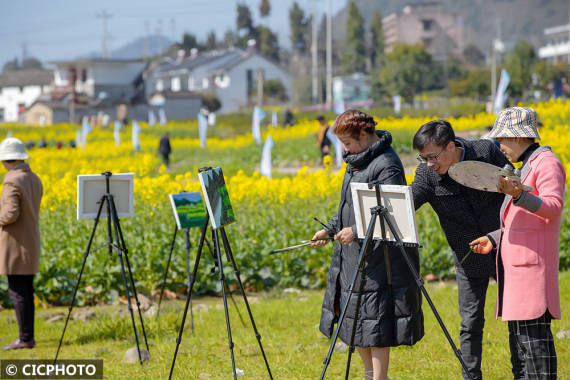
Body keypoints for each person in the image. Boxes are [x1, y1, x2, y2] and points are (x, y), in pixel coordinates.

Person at [312, 110, 424, 380]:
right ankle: (367, 373)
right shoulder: (356, 162)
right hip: (353, 255)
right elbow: (348, 206)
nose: (345, 149)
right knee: (353, 319)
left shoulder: (388, 165)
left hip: (379, 259)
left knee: (376, 322)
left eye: (348, 143)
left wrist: (357, 231)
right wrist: (330, 229)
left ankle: (379, 377)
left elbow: (391, 214)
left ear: (364, 135)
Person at [410, 120, 511, 380]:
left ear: (452, 146)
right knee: (470, 322)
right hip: (467, 255)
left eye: (433, 157)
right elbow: (408, 201)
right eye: (424, 159)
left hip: (504, 246)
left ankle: (522, 372)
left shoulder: (485, 153)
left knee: (516, 316)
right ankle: (471, 376)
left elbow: (515, 185)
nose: (430, 164)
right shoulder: (427, 175)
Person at [470, 107, 565, 380]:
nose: (499, 146)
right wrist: (493, 238)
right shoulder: (524, 167)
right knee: (522, 355)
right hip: (519, 278)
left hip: (532, 277)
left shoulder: (546, 163)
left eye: (502, 139)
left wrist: (518, 195)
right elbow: (521, 225)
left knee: (536, 357)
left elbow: (553, 207)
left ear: (520, 138)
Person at [0, 138, 43, 350]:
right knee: (26, 289)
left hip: (16, 244)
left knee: (17, 291)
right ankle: (28, 337)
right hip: (31, 242)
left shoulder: (11, 180)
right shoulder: (34, 178)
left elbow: (10, 214)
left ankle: (24, 338)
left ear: (6, 160)